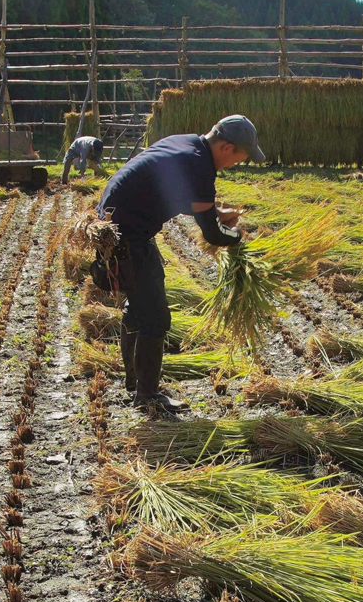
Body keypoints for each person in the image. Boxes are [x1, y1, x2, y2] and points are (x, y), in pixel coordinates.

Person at [96, 114, 266, 415]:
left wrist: (216, 212)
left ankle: (135, 383)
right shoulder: (200, 165)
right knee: (155, 319)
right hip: (128, 236)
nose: (233, 165)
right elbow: (213, 234)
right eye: (238, 159)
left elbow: (177, 195)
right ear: (227, 148)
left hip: (116, 226)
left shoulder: (186, 144)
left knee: (139, 309)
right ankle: (147, 396)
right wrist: (239, 238)